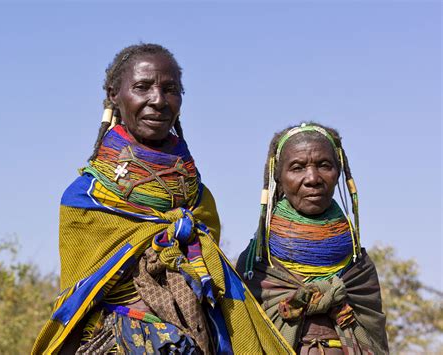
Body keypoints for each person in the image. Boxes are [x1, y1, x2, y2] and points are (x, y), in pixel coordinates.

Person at [32, 43, 293, 354]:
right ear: (115, 95)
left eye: (169, 89)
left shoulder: (197, 197)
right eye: (142, 87)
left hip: (195, 342)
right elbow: (80, 298)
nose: (157, 100)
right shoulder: (86, 199)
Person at [237, 122, 389, 354]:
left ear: (338, 172)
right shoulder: (257, 265)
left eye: (324, 165)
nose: (312, 178)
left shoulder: (358, 268)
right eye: (297, 167)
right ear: (278, 176)